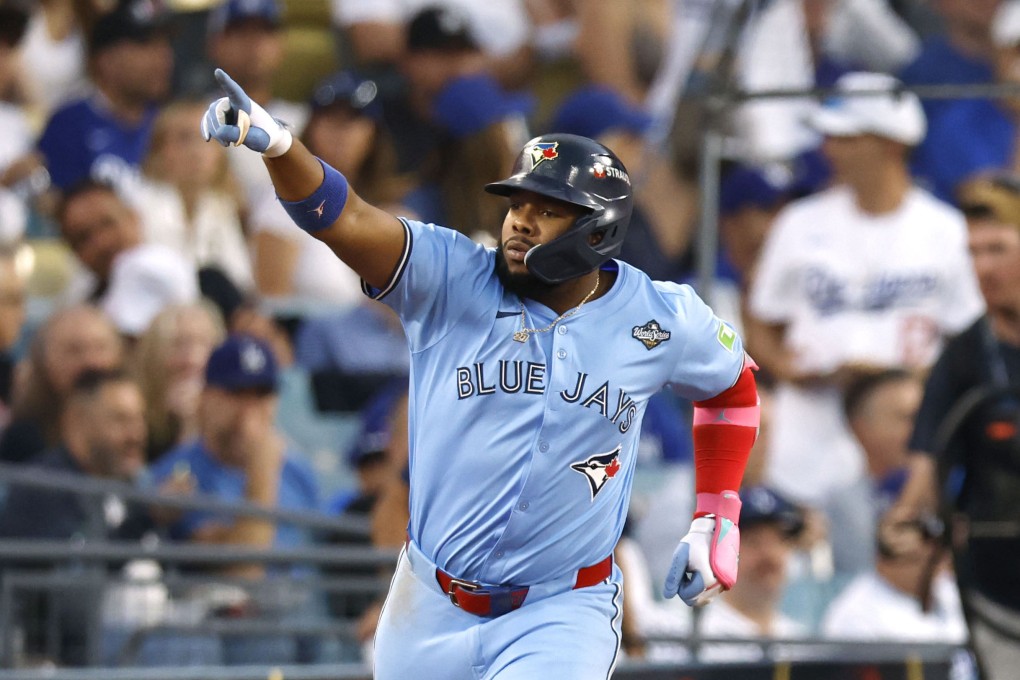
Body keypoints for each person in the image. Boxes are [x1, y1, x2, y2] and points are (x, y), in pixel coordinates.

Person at [201, 66, 759, 678]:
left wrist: (716, 513)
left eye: (547, 209)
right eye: (516, 203)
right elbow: (347, 218)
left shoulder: (661, 317)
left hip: (560, 611)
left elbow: (733, 387)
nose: (519, 220)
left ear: (598, 229)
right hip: (430, 602)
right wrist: (282, 146)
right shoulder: (450, 276)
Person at [746, 71, 985, 575]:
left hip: (902, 431)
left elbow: (970, 336)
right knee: (801, 572)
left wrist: (908, 381)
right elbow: (760, 320)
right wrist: (795, 371)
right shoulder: (800, 222)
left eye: (846, 137)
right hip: (810, 424)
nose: (830, 149)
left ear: (888, 144)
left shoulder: (944, 231)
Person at [893, 174, 1020, 680]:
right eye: (974, 252)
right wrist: (903, 527)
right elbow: (923, 477)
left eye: (998, 249)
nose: (983, 268)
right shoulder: (962, 359)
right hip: (998, 595)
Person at [56, 179, 199, 337]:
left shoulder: (211, 285)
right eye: (83, 238)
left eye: (108, 223)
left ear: (134, 218)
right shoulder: (81, 324)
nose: (102, 242)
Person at [0, 304, 124, 463]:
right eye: (74, 350)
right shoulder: (23, 437)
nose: (91, 362)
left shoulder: (142, 432)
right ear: (45, 361)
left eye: (100, 348)